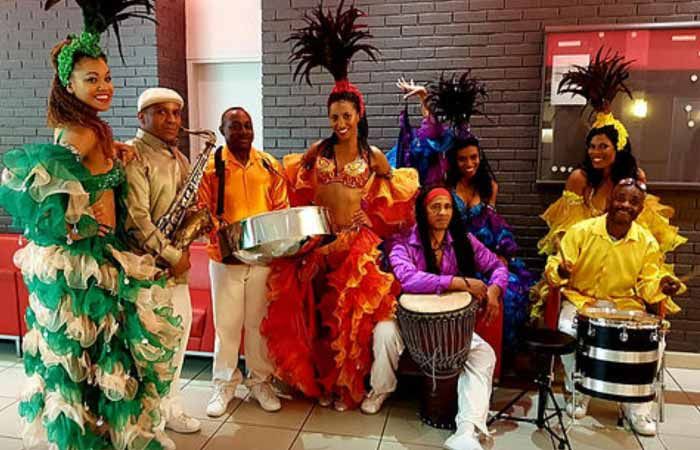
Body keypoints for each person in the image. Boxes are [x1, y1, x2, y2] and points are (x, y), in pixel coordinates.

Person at [0, 3, 181, 449]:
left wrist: (113, 154)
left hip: (102, 259)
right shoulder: (76, 133)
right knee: (89, 360)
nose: (104, 87)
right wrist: (78, 225)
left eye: (107, 78)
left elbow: (87, 173)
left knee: (101, 360)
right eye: (91, 79)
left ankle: (99, 434)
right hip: (85, 267)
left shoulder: (90, 128)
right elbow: (44, 192)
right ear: (69, 84)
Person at [261, 1, 419, 411]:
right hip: (320, 242)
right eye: (334, 117)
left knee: (348, 320)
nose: (340, 123)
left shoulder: (374, 156)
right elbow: (293, 186)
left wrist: (371, 219)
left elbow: (394, 197)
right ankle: (320, 384)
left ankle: (347, 387)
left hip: (355, 246)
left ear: (358, 114)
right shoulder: (318, 151)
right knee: (316, 316)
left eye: (346, 116)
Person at [532, 48, 686, 318]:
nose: (595, 152)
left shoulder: (636, 181)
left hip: (622, 283)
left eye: (603, 146)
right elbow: (565, 237)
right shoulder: (579, 180)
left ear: (619, 148)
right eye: (592, 146)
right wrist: (564, 268)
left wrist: (657, 281)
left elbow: (645, 237)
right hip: (582, 277)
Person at [388, 74, 535, 358]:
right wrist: (425, 101)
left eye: (474, 158)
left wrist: (501, 256)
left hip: (477, 249)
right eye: (463, 159)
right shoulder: (444, 184)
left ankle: (496, 359)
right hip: (450, 251)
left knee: (512, 292)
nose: (469, 163)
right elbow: (433, 137)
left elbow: (494, 226)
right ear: (454, 161)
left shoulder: (489, 187)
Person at [364, 186, 507, 450]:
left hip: (450, 327)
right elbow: (408, 279)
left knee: (484, 354)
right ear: (423, 211)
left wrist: (495, 291)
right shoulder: (403, 242)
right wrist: (460, 283)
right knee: (384, 332)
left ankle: (467, 429)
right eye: (435, 207)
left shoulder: (464, 240)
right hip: (407, 321)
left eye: (448, 207)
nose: (442, 212)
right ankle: (381, 389)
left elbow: (497, 266)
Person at [545, 179, 685, 436]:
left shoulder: (646, 242)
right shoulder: (581, 231)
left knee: (656, 343)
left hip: (625, 304)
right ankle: (578, 389)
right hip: (581, 300)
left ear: (641, 209)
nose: (626, 205)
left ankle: (637, 407)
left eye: (634, 202)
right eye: (620, 198)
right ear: (609, 201)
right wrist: (561, 271)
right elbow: (555, 266)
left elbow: (648, 284)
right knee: (566, 329)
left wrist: (661, 286)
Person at [197, 107, 289, 416]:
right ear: (222, 130)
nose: (243, 132)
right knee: (227, 327)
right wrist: (219, 230)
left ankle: (260, 381)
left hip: (261, 260)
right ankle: (224, 384)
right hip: (226, 261)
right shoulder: (211, 167)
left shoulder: (268, 165)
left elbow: (281, 208)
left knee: (258, 325)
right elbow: (201, 210)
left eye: (247, 125)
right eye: (235, 126)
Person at [123, 87, 201, 435]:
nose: (172, 119)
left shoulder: (180, 158)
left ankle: (172, 407)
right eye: (162, 112)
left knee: (178, 341)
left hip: (175, 270)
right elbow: (136, 219)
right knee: (148, 352)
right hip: (145, 270)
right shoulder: (133, 156)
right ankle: (148, 419)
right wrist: (172, 255)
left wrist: (197, 222)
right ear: (142, 117)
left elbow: (187, 208)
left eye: (176, 113)